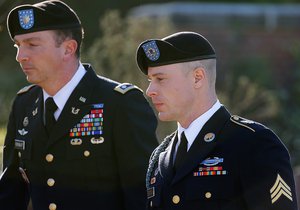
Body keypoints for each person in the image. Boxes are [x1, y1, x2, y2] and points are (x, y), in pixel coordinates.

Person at [0, 1, 158, 210]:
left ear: (68, 49)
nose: (21, 56)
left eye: (32, 44)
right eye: (18, 46)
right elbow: (10, 194)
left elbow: (143, 197)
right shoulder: (24, 104)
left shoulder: (119, 103)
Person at [136, 31, 298, 210]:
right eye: (150, 80)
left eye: (160, 79)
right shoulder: (161, 156)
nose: (150, 90)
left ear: (197, 78)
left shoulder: (254, 144)